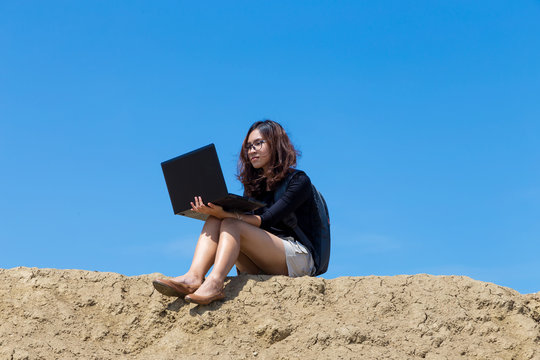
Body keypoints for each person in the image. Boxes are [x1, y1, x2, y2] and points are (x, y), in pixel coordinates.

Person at [153, 120, 318, 305]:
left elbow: (267, 219)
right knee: (216, 218)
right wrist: (216, 211)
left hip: (298, 258)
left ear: (276, 143)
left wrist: (228, 216)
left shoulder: (299, 181)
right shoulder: (255, 187)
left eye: (258, 143)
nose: (252, 150)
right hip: (263, 259)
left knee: (231, 223)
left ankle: (215, 283)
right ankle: (193, 277)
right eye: (248, 146)